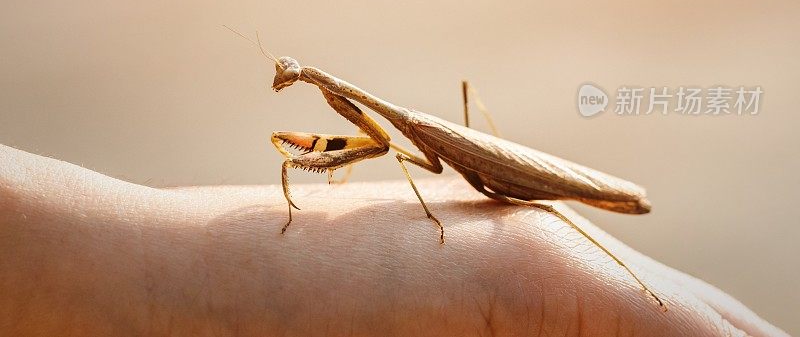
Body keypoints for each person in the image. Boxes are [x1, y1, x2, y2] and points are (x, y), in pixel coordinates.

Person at [0, 144, 786, 336]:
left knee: (558, 226)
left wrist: (439, 217)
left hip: (500, 173)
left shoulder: (404, 138)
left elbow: (417, 162)